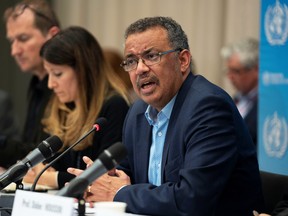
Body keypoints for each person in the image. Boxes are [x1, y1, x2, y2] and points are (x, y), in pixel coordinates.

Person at [68, 17, 264, 216]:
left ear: (183, 60)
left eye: (152, 56)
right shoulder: (137, 112)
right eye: (131, 61)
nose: (140, 69)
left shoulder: (208, 107)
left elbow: (191, 200)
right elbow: (127, 174)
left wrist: (118, 192)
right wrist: (102, 180)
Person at [22, 26, 130, 189]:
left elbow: (104, 180)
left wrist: (53, 178)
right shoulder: (61, 107)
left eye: (57, 74)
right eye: (49, 73)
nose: (51, 84)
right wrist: (46, 174)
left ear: (83, 71)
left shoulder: (114, 106)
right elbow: (42, 167)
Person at [0, 0, 60, 168]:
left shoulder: (66, 87)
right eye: (12, 41)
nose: (14, 51)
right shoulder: (36, 83)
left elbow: (50, 155)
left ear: (52, 35)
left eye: (23, 39)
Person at [221, 38, 259, 146]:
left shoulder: (267, 104)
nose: (230, 76)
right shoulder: (234, 100)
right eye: (228, 71)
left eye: (236, 71)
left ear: (256, 69)